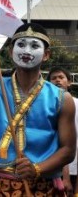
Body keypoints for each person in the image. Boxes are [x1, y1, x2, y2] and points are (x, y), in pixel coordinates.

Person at [0, 14, 76, 196]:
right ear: (10, 51)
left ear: (46, 55)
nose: (26, 51)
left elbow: (68, 150)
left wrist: (37, 169)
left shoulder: (62, 98)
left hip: (40, 186)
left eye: (34, 46)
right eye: (21, 45)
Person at [47, 66, 78, 196]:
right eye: (54, 78)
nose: (58, 80)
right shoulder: (44, 106)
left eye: (61, 77)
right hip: (51, 167)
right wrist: (65, 178)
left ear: (69, 82)